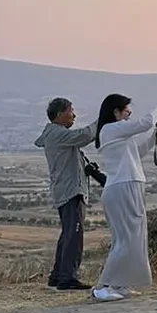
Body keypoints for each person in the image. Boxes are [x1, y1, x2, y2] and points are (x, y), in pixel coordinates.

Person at [91, 96, 157, 304]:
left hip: (128, 185)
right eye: (126, 111)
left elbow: (140, 151)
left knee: (134, 238)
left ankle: (121, 284)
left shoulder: (117, 134)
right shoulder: (109, 129)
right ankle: (104, 286)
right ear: (115, 112)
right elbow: (144, 123)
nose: (128, 115)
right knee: (126, 239)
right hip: (123, 187)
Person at [34, 97, 97, 291]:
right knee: (74, 235)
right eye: (71, 110)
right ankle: (68, 277)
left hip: (67, 190)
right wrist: (103, 119)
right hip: (70, 191)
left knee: (69, 233)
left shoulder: (55, 135)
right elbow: (85, 135)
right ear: (60, 114)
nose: (74, 115)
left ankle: (58, 275)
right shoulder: (57, 134)